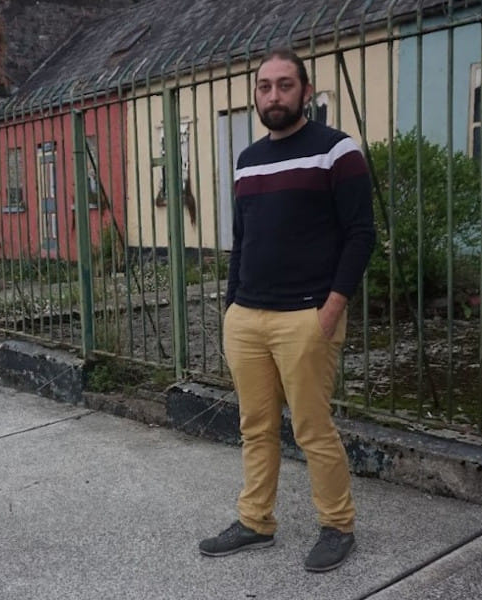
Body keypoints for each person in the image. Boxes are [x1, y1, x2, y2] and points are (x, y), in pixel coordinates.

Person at [198, 47, 376, 573]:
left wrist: (332, 307)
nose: (273, 95)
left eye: (283, 85)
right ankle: (255, 521)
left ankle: (338, 525)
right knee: (255, 426)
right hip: (248, 318)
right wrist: (232, 306)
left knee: (312, 428)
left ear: (304, 90)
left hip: (307, 316)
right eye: (263, 87)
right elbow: (242, 237)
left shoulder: (337, 151)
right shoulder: (248, 159)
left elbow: (361, 235)